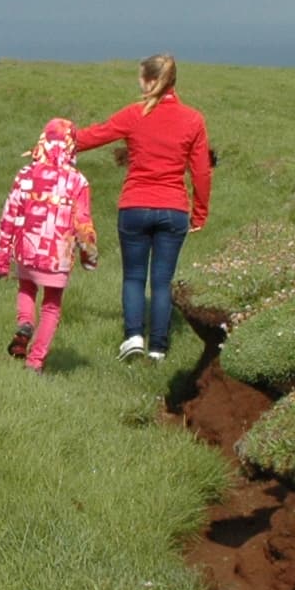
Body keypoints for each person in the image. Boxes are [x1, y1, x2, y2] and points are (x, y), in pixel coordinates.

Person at [72, 54, 210, 363]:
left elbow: (94, 135)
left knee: (134, 276)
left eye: (141, 79)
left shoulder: (134, 114)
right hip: (173, 210)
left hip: (134, 206)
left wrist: (53, 143)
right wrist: (199, 213)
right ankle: (158, 349)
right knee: (162, 281)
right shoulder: (194, 119)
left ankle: (133, 337)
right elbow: (201, 172)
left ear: (150, 81)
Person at [0, 118, 97, 371]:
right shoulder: (78, 181)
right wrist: (89, 256)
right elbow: (83, 222)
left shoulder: (25, 175)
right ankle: (35, 361)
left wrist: (1, 258)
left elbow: (8, 216)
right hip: (57, 254)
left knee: (26, 288)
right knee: (51, 306)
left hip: (27, 247)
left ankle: (25, 323)